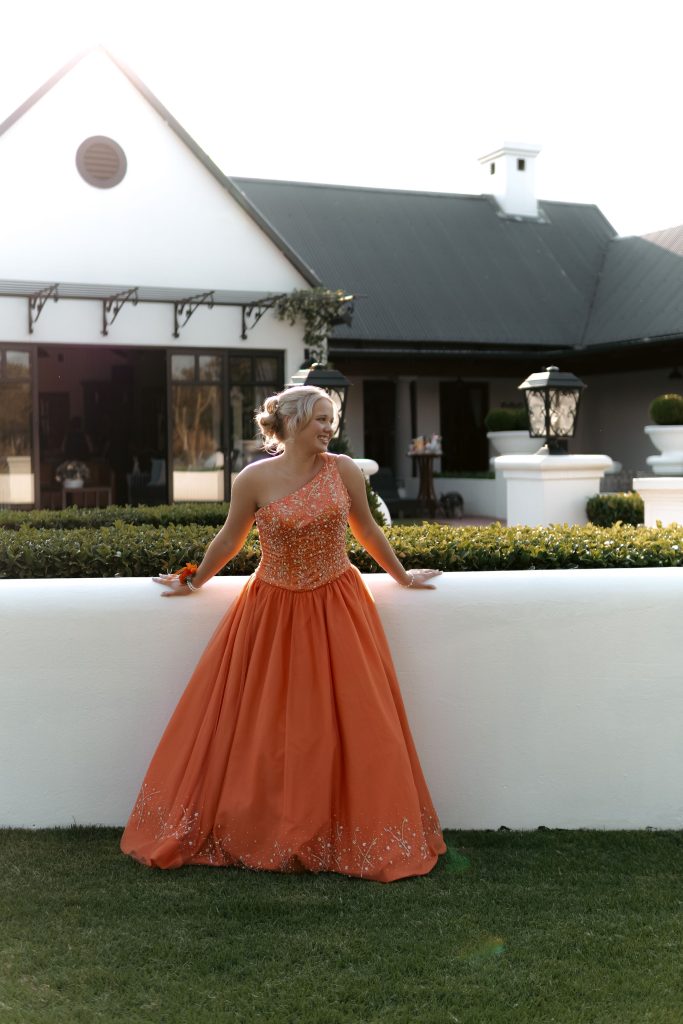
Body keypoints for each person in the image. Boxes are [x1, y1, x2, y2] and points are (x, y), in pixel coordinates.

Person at [121, 386, 446, 882]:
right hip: (270, 612)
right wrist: (194, 578)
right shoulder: (253, 479)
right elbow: (230, 538)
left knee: (355, 723)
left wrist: (402, 576)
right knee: (266, 730)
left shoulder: (344, 470)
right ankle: (269, 826)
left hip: (338, 608)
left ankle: (344, 830)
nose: (328, 428)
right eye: (320, 419)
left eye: (331, 419)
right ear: (291, 423)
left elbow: (367, 530)